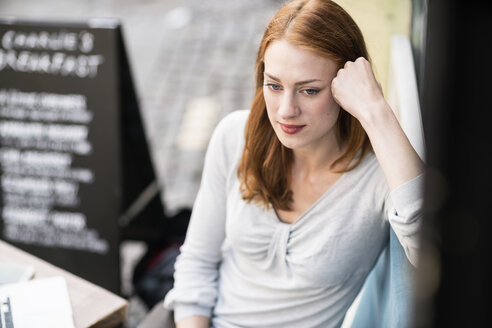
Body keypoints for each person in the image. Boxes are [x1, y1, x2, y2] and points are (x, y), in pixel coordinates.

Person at [163, 0, 424, 327]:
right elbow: (197, 263)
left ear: (347, 87)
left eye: (309, 90)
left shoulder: (378, 177)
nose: (286, 110)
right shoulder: (234, 137)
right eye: (274, 85)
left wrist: (376, 111)